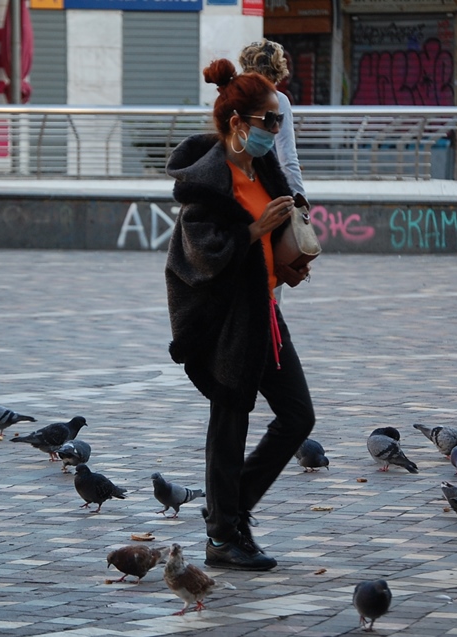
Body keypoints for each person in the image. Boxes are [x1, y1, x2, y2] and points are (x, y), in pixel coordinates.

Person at [164, 59, 315, 571]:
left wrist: (283, 266)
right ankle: (223, 537)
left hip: (264, 310)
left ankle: (227, 512)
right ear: (238, 123)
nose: (276, 128)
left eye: (279, 119)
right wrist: (255, 231)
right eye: (269, 120)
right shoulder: (208, 181)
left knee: (297, 415)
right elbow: (201, 254)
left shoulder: (263, 169)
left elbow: (263, 246)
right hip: (227, 321)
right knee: (229, 424)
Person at [239, 39, 308, 208]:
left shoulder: (232, 96)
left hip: (234, 185)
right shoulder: (278, 100)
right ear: (278, 68)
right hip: (264, 190)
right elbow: (287, 156)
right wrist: (300, 199)